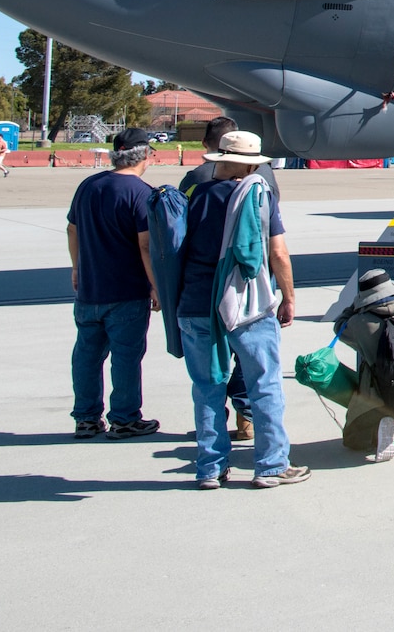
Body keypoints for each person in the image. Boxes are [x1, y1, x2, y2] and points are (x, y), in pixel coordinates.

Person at [178, 130, 305, 489]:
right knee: (263, 383)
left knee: (206, 386)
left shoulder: (193, 194)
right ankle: (271, 466)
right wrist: (288, 296)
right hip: (245, 303)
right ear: (252, 163)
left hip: (194, 302)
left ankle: (209, 469)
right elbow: (277, 252)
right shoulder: (257, 195)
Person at [180, 115, 279, 444]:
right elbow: (274, 243)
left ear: (212, 147)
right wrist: (284, 293)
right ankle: (262, 448)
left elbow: (178, 238)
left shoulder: (195, 182)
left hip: (198, 294)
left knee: (207, 385)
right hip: (246, 295)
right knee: (259, 376)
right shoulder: (264, 183)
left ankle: (210, 462)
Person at [65, 127, 161, 441]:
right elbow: (145, 245)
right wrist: (155, 284)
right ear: (145, 155)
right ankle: (124, 418)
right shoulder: (141, 193)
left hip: (90, 290)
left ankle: (86, 418)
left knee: (87, 356)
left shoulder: (88, 186)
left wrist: (76, 267)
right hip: (127, 291)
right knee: (126, 358)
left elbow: (72, 230)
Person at [334, 268, 394, 461]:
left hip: (381, 392)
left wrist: (355, 305)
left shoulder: (361, 323)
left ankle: (380, 425)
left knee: (353, 441)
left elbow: (338, 327)